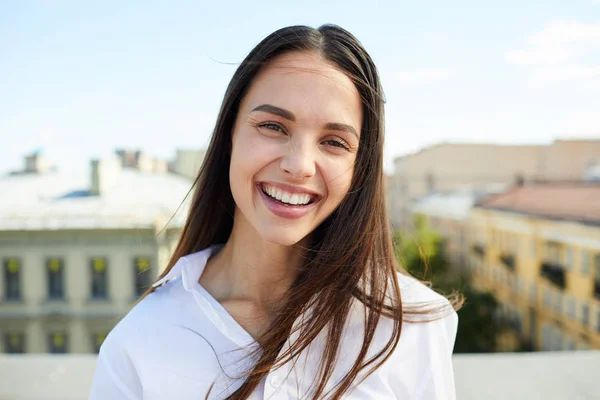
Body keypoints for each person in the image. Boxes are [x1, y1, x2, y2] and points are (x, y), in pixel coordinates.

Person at [89, 24, 462, 400]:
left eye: (334, 142)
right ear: (229, 135)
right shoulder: (141, 341)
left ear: (359, 168)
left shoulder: (413, 325)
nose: (299, 165)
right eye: (272, 126)